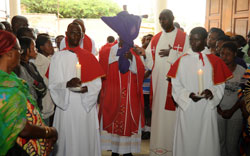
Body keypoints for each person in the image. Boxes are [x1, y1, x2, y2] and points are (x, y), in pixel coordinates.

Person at [167, 27, 232, 156]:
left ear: (204, 40)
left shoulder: (215, 61)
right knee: (186, 141)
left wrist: (211, 92)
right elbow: (176, 84)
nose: (192, 43)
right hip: (187, 108)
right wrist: (187, 95)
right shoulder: (182, 60)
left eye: (196, 40)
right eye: (191, 40)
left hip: (207, 108)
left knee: (206, 142)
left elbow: (220, 85)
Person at [49, 22, 104, 156]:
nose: (75, 36)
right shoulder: (57, 57)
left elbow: (97, 83)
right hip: (66, 107)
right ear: (66, 35)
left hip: (85, 106)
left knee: (84, 138)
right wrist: (66, 84)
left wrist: (87, 89)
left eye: (78, 33)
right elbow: (53, 84)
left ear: (82, 36)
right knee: (67, 139)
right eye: (72, 32)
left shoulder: (89, 56)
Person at [0, 30, 57, 156]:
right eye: (19, 50)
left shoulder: (12, 79)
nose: (20, 54)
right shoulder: (9, 90)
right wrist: (50, 132)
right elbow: (24, 129)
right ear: (9, 53)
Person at [143, 9, 189, 156]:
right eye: (160, 19)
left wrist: (173, 53)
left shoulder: (183, 38)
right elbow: (150, 62)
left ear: (172, 18)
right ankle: (158, 149)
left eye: (166, 18)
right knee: (158, 117)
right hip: (158, 86)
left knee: (172, 118)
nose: (163, 22)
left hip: (174, 87)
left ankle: (173, 150)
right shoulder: (156, 38)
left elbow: (189, 59)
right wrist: (142, 54)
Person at [99, 11, 145, 156]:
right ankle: (113, 150)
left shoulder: (135, 51)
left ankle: (127, 152)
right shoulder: (108, 51)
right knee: (113, 128)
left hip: (130, 96)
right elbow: (103, 72)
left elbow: (142, 72)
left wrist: (132, 59)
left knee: (128, 126)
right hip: (113, 96)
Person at [217, 42, 245, 156]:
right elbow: (212, 91)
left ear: (235, 54)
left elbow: (244, 94)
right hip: (218, 112)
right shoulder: (216, 70)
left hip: (236, 112)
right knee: (219, 143)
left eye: (228, 54)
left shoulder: (242, 72)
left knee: (231, 145)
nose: (224, 57)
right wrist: (219, 109)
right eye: (222, 54)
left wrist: (232, 111)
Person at [17, 37, 47, 112]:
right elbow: (29, 89)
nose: (36, 49)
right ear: (26, 50)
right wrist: (38, 85)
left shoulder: (31, 65)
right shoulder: (19, 68)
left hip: (37, 108)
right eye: (33, 47)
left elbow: (42, 86)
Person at [34, 34, 55, 125]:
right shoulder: (42, 62)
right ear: (42, 47)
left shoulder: (50, 59)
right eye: (49, 44)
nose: (52, 47)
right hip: (43, 103)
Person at [141, 34, 153, 140]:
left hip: (149, 86)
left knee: (148, 109)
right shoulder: (139, 52)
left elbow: (152, 67)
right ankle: (142, 128)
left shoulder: (153, 54)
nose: (148, 41)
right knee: (142, 108)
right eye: (146, 39)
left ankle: (148, 129)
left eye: (150, 39)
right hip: (140, 86)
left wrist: (147, 72)